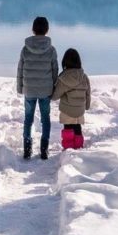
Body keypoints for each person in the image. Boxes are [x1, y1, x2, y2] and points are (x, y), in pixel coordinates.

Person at [16, 15, 59, 160]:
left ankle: (27, 149)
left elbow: (20, 69)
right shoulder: (51, 49)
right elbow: (55, 71)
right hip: (45, 90)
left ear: (33, 29)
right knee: (45, 119)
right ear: (47, 30)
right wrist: (54, 88)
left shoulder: (25, 48)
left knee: (28, 119)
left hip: (29, 89)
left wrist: (20, 87)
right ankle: (44, 149)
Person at [52, 47, 91, 149]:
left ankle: (69, 150)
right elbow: (88, 93)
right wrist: (86, 106)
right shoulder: (84, 76)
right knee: (77, 128)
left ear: (65, 61)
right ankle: (78, 148)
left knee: (68, 128)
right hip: (80, 109)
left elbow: (55, 96)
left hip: (67, 109)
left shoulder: (64, 78)